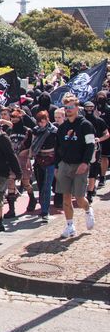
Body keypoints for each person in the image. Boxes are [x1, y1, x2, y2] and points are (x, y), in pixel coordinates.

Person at [55, 94, 96, 238]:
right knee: (66, 197)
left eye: (71, 107)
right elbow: (57, 147)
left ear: (77, 108)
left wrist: (85, 162)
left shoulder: (85, 125)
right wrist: (57, 165)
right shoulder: (63, 127)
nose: (68, 110)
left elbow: (90, 145)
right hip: (65, 165)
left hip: (80, 165)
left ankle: (87, 210)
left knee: (79, 197)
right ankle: (70, 225)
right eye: (66, 107)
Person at [27, 111, 58, 222]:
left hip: (50, 160)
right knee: (40, 185)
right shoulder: (35, 130)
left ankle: (45, 211)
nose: (42, 123)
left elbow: (57, 147)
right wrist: (29, 159)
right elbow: (32, 144)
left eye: (43, 120)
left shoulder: (54, 131)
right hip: (39, 159)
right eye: (40, 121)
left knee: (47, 185)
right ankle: (42, 207)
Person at [82, 101, 108, 203]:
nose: (89, 110)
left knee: (93, 170)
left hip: (95, 149)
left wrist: (99, 139)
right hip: (82, 149)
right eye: (87, 108)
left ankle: (90, 191)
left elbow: (107, 134)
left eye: (91, 108)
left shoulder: (99, 121)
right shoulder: (81, 121)